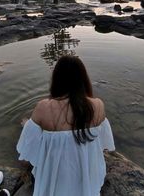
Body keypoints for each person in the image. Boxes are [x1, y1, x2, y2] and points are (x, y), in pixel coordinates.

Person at [16, 55, 115, 196]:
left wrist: (29, 126)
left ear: (56, 79)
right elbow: (102, 145)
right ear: (83, 79)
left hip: (55, 182)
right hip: (88, 179)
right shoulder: (98, 105)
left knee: (30, 130)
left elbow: (27, 151)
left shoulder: (43, 107)